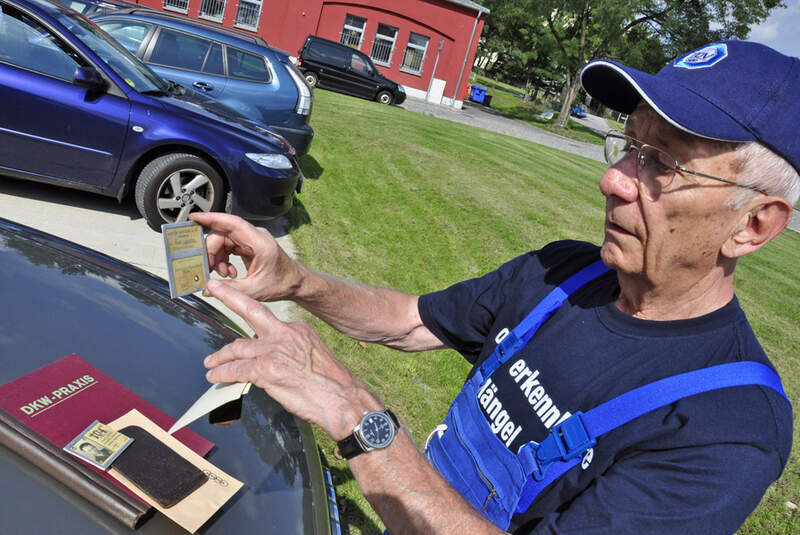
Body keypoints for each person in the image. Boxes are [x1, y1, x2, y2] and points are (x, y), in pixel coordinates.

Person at [189, 40, 798, 534]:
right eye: (630, 145)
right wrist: (296, 281)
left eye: (662, 163)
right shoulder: (563, 272)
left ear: (753, 224)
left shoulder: (729, 424)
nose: (614, 179)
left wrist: (358, 416)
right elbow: (410, 319)